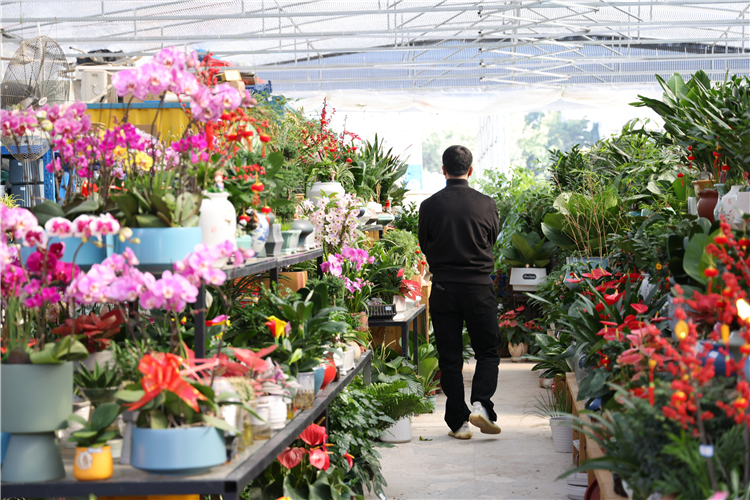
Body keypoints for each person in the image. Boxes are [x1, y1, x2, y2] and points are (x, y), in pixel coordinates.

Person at [417, 145, 501, 440]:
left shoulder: (429, 206)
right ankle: (481, 404)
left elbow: (424, 245)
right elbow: (491, 238)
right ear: (471, 169)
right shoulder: (487, 204)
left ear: (443, 170)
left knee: (449, 357)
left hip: (443, 288)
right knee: (488, 351)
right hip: (479, 287)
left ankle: (459, 424)